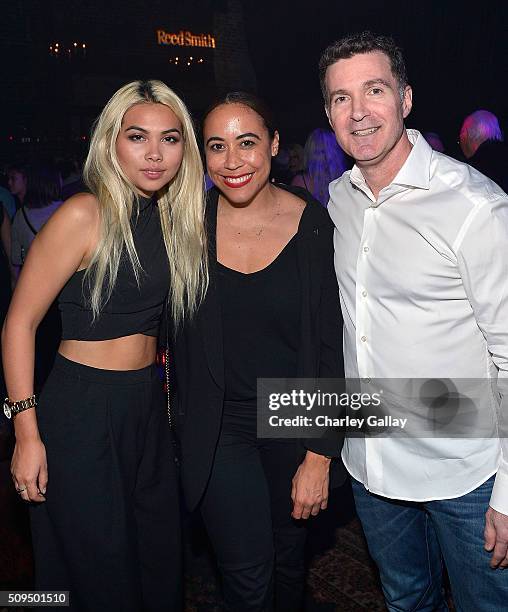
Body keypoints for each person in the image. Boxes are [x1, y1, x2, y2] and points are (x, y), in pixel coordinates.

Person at [2, 79, 208, 611]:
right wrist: (25, 432)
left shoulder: (174, 219)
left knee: (157, 557)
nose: (155, 153)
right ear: (111, 141)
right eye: (138, 136)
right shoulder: (83, 214)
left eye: (170, 138)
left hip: (146, 404)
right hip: (83, 408)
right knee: (96, 568)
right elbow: (19, 323)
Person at [320, 31, 508, 611]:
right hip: (373, 466)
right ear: (328, 113)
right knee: (405, 601)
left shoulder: (475, 208)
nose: (358, 111)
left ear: (404, 100)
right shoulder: (336, 201)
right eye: (340, 98)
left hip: (467, 474)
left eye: (373, 90)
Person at [171, 91, 345, 612]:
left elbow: (330, 346)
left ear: (273, 144)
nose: (232, 161)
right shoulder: (185, 227)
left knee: (289, 561)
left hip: (293, 414)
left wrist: (319, 455)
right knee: (247, 575)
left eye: (246, 142)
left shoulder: (315, 224)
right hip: (220, 423)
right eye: (216, 146)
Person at [291, 128, 349, 206]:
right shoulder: (301, 181)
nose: (324, 158)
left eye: (325, 152)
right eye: (318, 152)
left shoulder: (347, 181)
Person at [459, 109, 508, 192]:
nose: (460, 141)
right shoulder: (502, 154)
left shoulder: (475, 169)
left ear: (469, 134)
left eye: (461, 134)